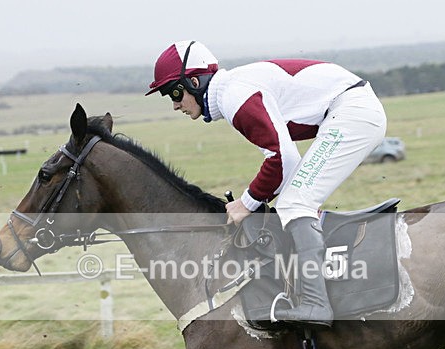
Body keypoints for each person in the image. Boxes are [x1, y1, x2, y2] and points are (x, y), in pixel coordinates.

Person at [146, 40, 387, 327]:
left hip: (352, 111)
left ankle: (316, 304)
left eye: (173, 92)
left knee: (295, 202)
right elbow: (287, 164)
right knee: (293, 199)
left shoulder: (235, 97)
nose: (174, 105)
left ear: (194, 81)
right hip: (349, 109)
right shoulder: (232, 92)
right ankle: (309, 285)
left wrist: (245, 204)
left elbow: (283, 159)